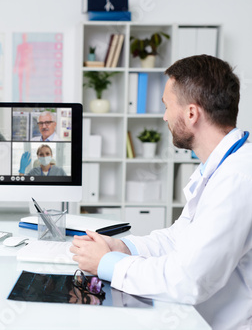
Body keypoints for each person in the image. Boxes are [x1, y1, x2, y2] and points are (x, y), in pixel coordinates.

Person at [70, 55, 252, 330]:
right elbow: (180, 238)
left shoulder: (238, 178)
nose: (165, 116)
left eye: (167, 106)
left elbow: (189, 280)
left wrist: (107, 263)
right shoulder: (219, 165)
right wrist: (123, 247)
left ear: (191, 113)